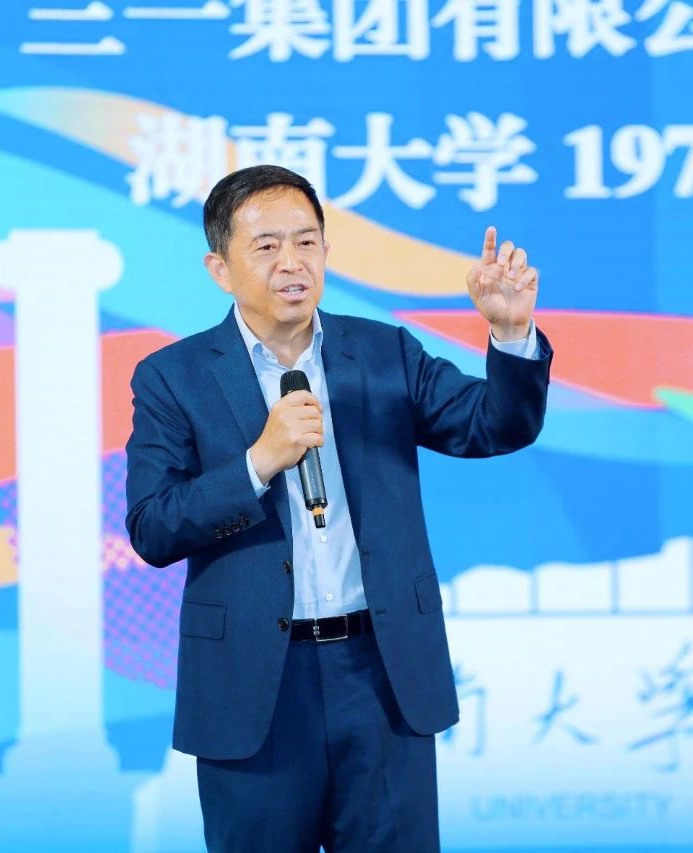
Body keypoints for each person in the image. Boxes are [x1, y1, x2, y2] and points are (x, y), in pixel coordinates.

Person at [125, 164, 552, 852]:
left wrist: (510, 334)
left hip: (381, 673)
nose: (291, 262)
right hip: (256, 686)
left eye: (306, 242)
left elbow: (494, 426)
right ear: (220, 268)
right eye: (266, 246)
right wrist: (258, 462)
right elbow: (153, 525)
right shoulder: (175, 377)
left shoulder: (383, 353)